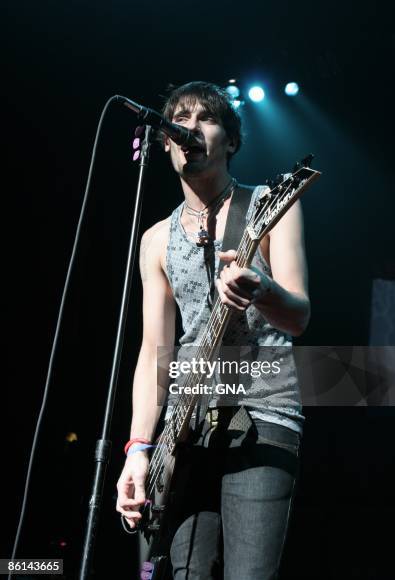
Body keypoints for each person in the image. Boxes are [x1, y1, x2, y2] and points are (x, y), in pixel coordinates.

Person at [116, 81, 310, 579]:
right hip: (184, 431)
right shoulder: (155, 239)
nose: (190, 127)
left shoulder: (269, 205)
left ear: (231, 140)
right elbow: (153, 351)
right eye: (180, 119)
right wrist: (138, 448)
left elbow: (299, 316)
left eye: (206, 118)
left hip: (261, 412)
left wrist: (261, 290)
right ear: (165, 142)